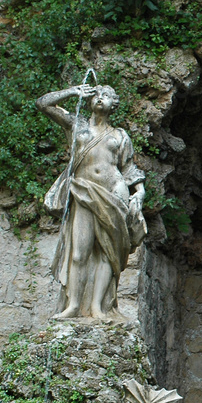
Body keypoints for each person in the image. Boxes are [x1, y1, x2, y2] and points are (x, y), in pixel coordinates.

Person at [37, 84, 147, 320]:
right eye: (96, 94)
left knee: (108, 252)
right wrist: (73, 91)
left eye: (106, 96)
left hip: (114, 192)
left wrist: (140, 192)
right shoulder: (76, 125)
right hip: (83, 191)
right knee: (80, 252)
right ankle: (74, 305)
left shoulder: (119, 135)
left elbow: (128, 168)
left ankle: (97, 307)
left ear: (113, 104)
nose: (100, 98)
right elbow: (43, 104)